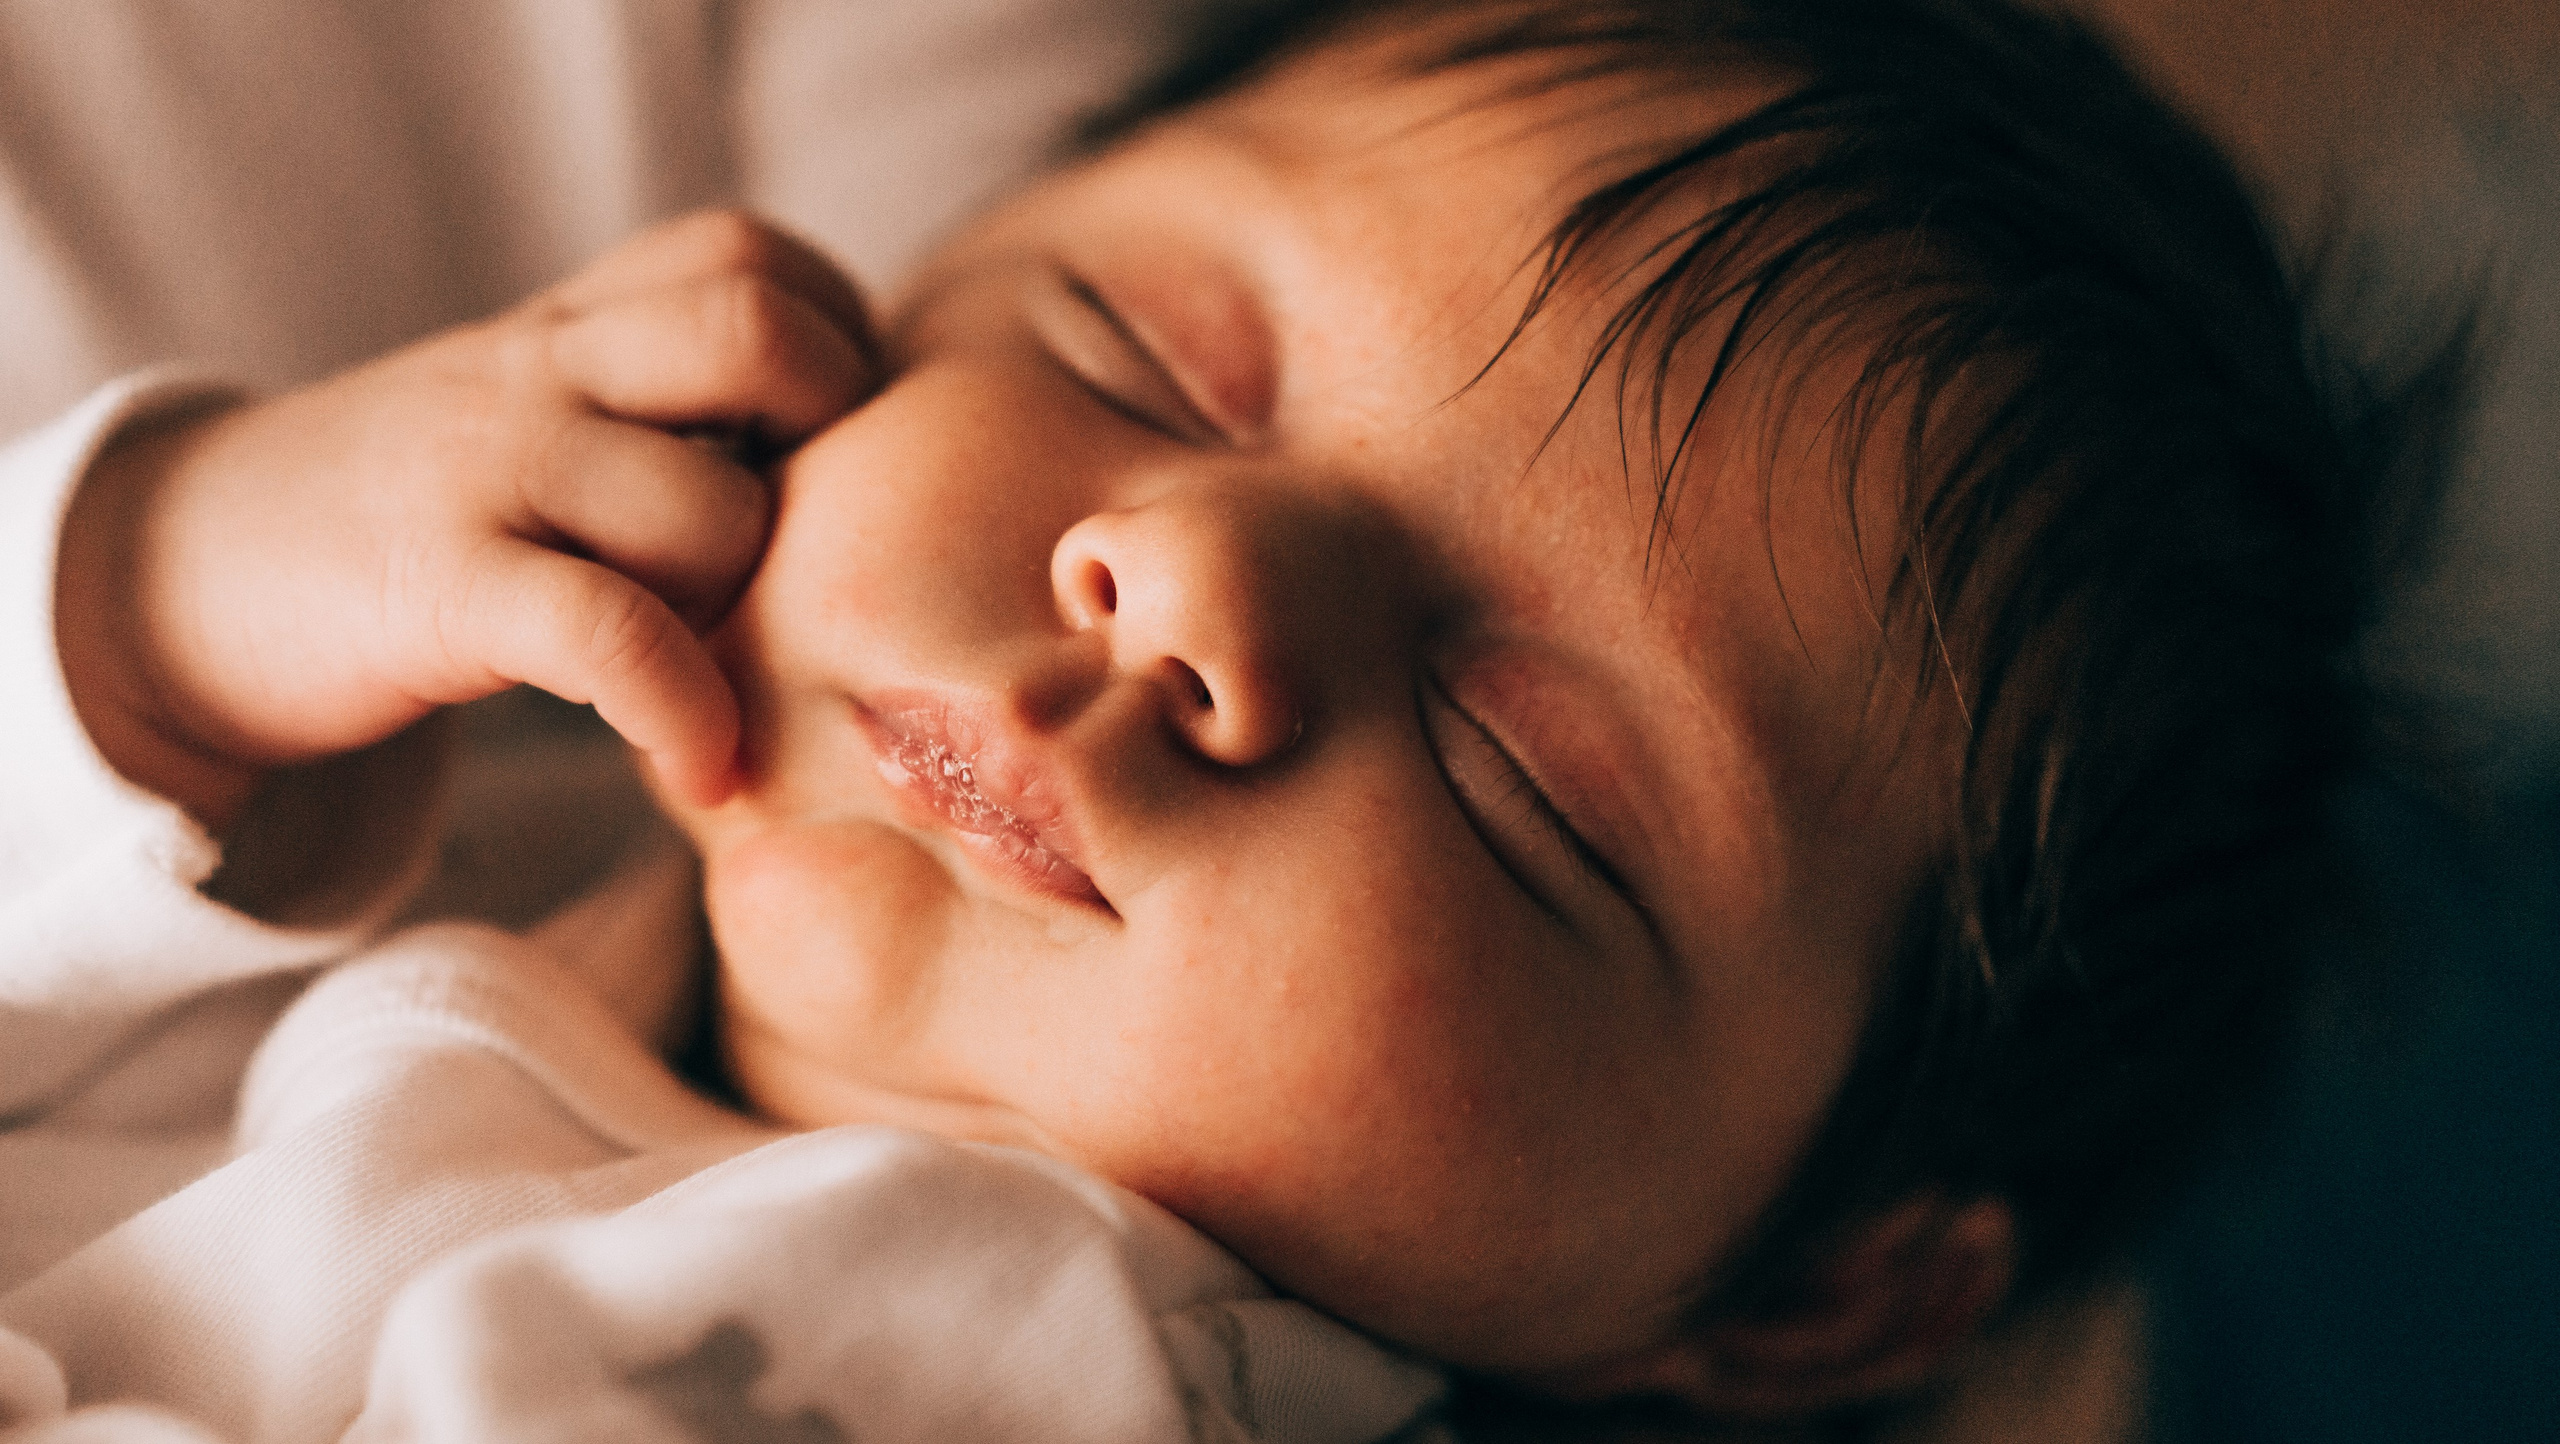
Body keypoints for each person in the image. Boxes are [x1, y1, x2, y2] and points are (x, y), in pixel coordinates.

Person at [1, 0, 2443, 1439]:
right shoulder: (502, 781)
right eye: (1129, 354)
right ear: (908, 278)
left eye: (1524, 779)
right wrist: (159, 600)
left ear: (1810, 1294)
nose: (1180, 577)